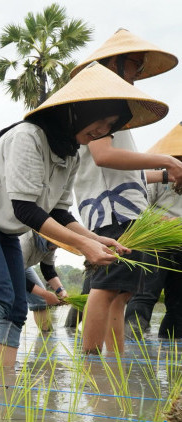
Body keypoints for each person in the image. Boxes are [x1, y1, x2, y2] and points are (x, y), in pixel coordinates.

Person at [0, 61, 168, 376]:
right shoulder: (29, 136)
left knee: (18, 307)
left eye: (110, 126)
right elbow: (27, 209)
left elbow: (59, 212)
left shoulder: (71, 154)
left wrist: (94, 238)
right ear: (79, 112)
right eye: (100, 122)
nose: (103, 132)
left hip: (4, 229)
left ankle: (2, 382)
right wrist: (82, 246)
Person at [70, 29, 182, 354]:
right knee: (105, 289)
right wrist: (165, 160)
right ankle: (91, 367)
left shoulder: (115, 108)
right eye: (135, 64)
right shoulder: (101, 102)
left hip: (126, 211)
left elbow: (127, 174)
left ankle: (115, 366)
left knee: (121, 294)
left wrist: (164, 172)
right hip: (111, 213)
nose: (138, 73)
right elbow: (103, 156)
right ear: (116, 63)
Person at [125, 121, 182, 339]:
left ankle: (172, 360)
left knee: (178, 305)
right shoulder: (161, 174)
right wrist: (165, 221)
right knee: (144, 297)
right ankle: (129, 354)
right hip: (157, 243)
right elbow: (139, 209)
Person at [19, 231, 68, 333]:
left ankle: (46, 337)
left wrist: (61, 291)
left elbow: (48, 270)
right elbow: (16, 276)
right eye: (56, 245)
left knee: (40, 299)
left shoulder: (51, 244)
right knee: (7, 303)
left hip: (22, 266)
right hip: (4, 266)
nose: (56, 248)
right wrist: (45, 294)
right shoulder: (25, 241)